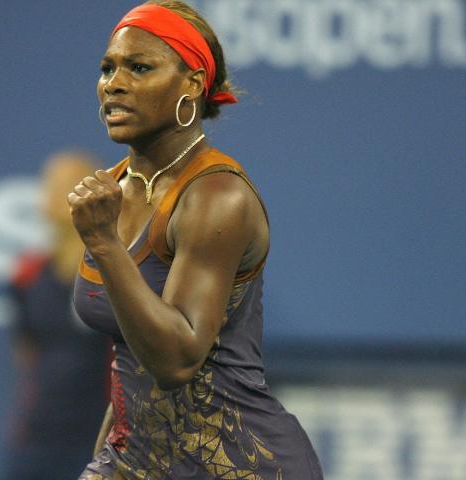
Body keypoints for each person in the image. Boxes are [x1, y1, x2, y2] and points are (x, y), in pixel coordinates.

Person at [68, 1, 324, 478]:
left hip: (244, 465)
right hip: (137, 461)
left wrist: (103, 242)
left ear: (191, 84)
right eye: (108, 68)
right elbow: (132, 359)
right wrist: (103, 458)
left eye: (139, 67)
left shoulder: (216, 196)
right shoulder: (114, 190)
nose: (114, 83)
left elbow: (175, 359)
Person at [3, 152, 110, 480]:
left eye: (70, 185)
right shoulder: (25, 277)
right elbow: (26, 353)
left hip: (105, 443)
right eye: (52, 186)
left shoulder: (119, 276)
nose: (59, 195)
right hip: (37, 441)